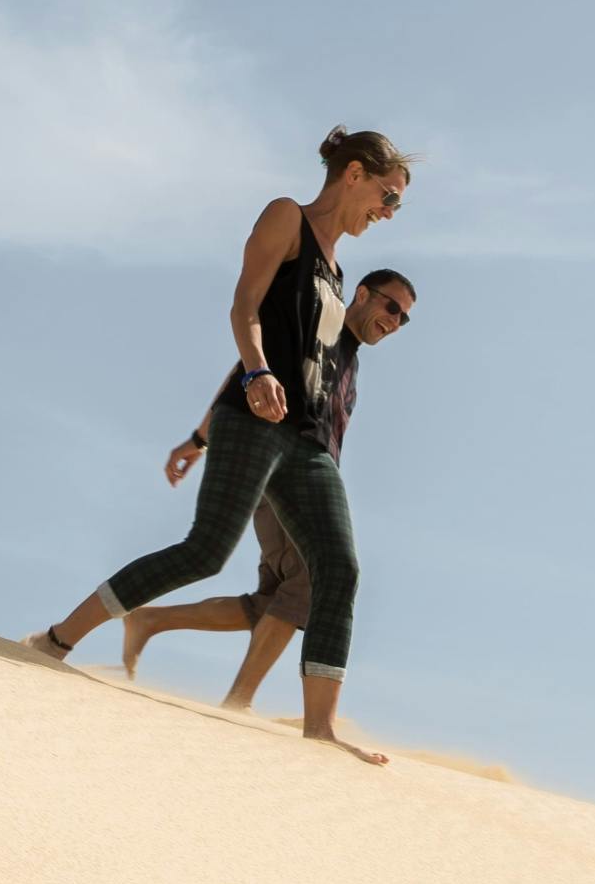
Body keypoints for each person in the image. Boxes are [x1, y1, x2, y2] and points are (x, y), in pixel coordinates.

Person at [23, 127, 414, 767]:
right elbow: (245, 305)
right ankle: (58, 640)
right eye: (388, 195)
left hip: (309, 443)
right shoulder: (287, 217)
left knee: (338, 569)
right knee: (205, 552)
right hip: (255, 421)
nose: (389, 212)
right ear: (353, 173)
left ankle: (320, 732)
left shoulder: (341, 273)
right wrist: (254, 377)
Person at [119, 269, 417, 714]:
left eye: (404, 319)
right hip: (281, 468)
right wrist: (201, 439)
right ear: (361, 294)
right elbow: (248, 370)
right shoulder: (327, 324)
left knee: (274, 601)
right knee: (308, 584)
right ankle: (238, 701)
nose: (394, 321)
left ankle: (150, 620)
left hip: (303, 479)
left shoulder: (350, 356)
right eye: (391, 307)